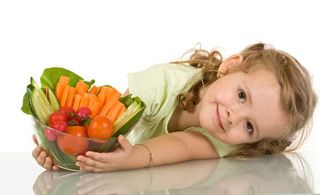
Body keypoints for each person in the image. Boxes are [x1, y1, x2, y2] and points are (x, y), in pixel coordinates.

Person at [32, 42, 317, 172]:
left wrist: (129, 160)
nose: (234, 117)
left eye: (250, 126)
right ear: (230, 66)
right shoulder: (163, 83)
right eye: (242, 96)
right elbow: (106, 122)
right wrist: (66, 153)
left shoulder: (225, 143)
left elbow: (181, 145)